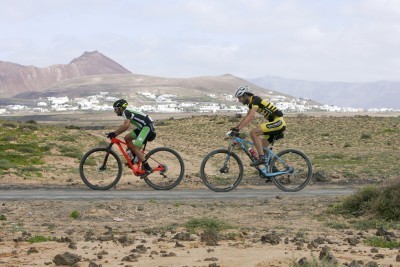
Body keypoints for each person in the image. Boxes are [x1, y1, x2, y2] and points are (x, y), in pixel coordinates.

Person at [230, 85, 286, 166]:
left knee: (253, 132)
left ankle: (262, 158)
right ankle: (272, 171)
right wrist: (236, 127)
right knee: (262, 148)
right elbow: (247, 117)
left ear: (245, 95)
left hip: (278, 122)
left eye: (239, 98)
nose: (239, 100)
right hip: (275, 123)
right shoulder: (251, 104)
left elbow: (250, 117)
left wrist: (238, 128)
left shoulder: (256, 100)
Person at [107, 99, 156, 177]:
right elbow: (125, 125)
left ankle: (148, 168)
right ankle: (134, 159)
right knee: (127, 138)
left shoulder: (126, 112)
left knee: (136, 147)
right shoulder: (126, 112)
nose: (115, 111)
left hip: (147, 127)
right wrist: (116, 132)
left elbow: (126, 125)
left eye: (115, 109)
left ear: (120, 108)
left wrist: (115, 133)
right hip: (142, 127)